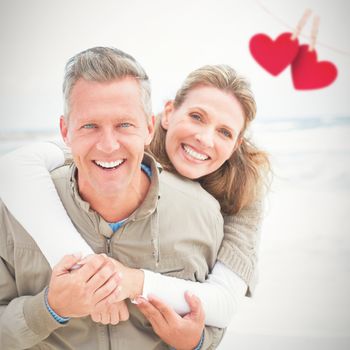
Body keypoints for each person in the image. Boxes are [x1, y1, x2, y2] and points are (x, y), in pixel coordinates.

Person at [0, 47, 230, 350]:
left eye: (124, 125)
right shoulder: (13, 210)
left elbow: (213, 318)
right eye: (90, 126)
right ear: (65, 131)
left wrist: (199, 342)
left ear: (148, 128)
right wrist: (50, 308)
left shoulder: (201, 212)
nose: (108, 146)